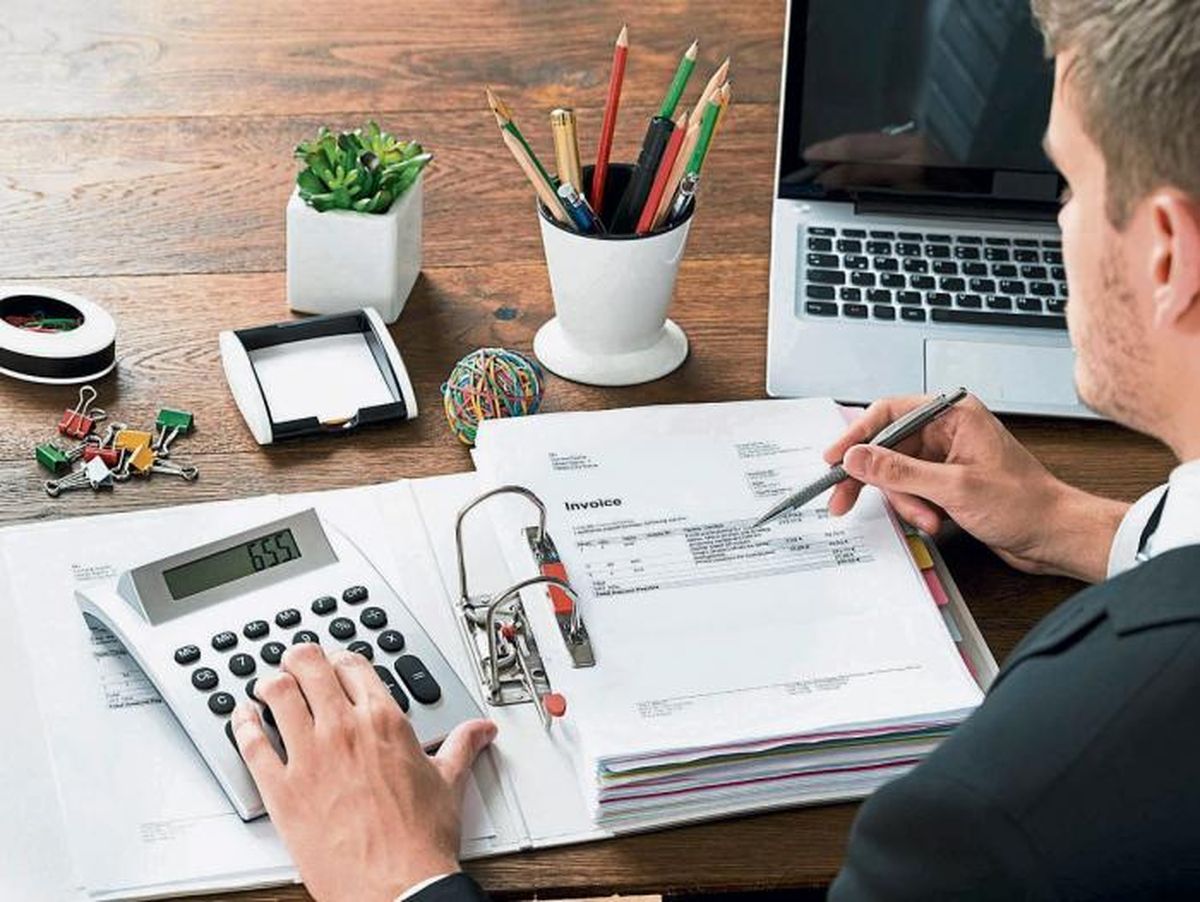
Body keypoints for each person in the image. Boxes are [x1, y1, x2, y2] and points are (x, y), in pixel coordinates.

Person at [228, 1, 1200, 898]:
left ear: (1168, 254)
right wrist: (1085, 528)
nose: (1053, 221)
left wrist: (397, 876)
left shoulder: (992, 818)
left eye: (1068, 185)